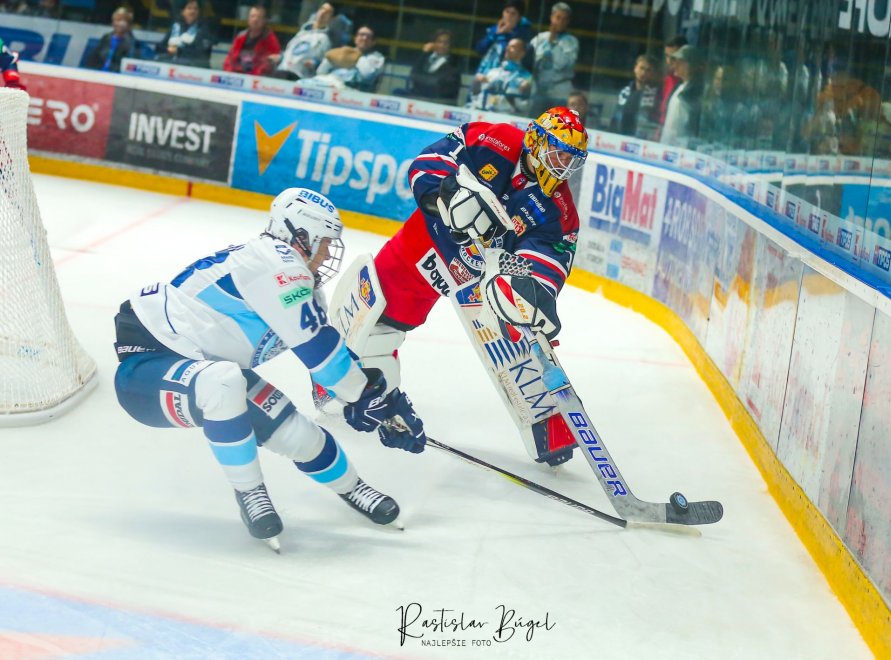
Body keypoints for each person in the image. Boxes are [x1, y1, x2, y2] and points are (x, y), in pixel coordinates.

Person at [112, 188, 425, 549]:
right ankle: (250, 493)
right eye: (324, 243)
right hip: (148, 365)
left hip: (204, 370)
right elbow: (321, 356)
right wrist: (363, 396)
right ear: (301, 236)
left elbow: (329, 362)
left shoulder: (296, 281)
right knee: (224, 382)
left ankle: (353, 488)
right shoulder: (277, 264)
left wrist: (383, 406)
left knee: (298, 433)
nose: (327, 255)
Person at [329, 107, 588, 467]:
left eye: (572, 160)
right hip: (429, 243)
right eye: (559, 154)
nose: (563, 167)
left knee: (514, 331)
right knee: (381, 321)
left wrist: (532, 289)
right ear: (537, 140)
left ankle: (549, 427)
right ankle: (359, 387)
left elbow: (552, 257)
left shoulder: (560, 209)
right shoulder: (495, 139)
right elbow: (430, 160)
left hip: (482, 276)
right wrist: (444, 196)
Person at [527, 2, 578, 116]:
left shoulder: (571, 41)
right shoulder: (540, 37)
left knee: (556, 123)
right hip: (539, 90)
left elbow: (561, 64)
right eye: (558, 17)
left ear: (568, 21)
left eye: (564, 19)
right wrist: (548, 42)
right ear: (551, 17)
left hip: (559, 91)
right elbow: (531, 61)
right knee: (535, 122)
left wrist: (553, 43)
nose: (560, 22)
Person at [468, 38, 533, 114]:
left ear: (522, 53)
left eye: (513, 47)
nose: (507, 48)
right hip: (485, 113)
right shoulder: (493, 72)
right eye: (508, 46)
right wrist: (478, 83)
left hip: (508, 116)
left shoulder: (527, 77)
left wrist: (525, 88)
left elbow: (526, 106)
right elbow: (478, 96)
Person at [313, 25, 385, 92]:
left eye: (369, 36)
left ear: (373, 42)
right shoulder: (343, 51)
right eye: (361, 35)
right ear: (356, 38)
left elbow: (366, 76)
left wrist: (357, 57)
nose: (364, 38)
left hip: (355, 92)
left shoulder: (377, 57)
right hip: (330, 85)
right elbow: (320, 72)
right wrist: (329, 59)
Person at [274, 2, 335, 80]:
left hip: (300, 76)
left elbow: (323, 63)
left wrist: (315, 63)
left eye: (327, 12)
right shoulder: (301, 33)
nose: (323, 13)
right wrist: (280, 57)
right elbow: (289, 51)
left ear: (330, 19)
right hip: (282, 70)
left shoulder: (325, 40)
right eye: (322, 9)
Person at [474, 0, 533, 77]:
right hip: (485, 73)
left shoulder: (523, 34)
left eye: (513, 14)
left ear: (519, 18)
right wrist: (496, 34)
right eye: (507, 12)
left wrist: (509, 33)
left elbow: (513, 54)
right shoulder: (494, 30)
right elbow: (480, 49)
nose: (509, 16)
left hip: (508, 75)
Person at [659, 45, 704, 146]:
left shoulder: (696, 92)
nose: (675, 65)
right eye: (676, 61)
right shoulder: (679, 87)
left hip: (683, 149)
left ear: (692, 65)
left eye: (681, 62)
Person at [222, 4, 281, 77]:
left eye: (259, 17)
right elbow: (229, 60)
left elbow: (269, 65)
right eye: (252, 16)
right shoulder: (240, 36)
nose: (255, 20)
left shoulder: (270, 40)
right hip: (235, 76)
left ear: (264, 21)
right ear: (248, 19)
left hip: (257, 78)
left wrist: (251, 77)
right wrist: (229, 74)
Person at [404, 29, 461, 104]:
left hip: (438, 103)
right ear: (433, 43)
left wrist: (422, 81)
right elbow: (414, 75)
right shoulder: (426, 58)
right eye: (439, 42)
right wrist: (424, 53)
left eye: (446, 43)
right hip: (418, 99)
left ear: (450, 45)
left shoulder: (454, 63)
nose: (442, 45)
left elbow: (438, 85)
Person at [611, 53, 661, 140]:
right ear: (635, 68)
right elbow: (616, 117)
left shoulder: (656, 95)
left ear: (653, 73)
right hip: (620, 138)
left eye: (648, 70)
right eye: (641, 68)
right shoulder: (625, 91)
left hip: (643, 140)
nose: (643, 73)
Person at [156, 0, 213, 68]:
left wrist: (178, 51)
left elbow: (201, 53)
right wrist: (168, 49)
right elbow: (160, 46)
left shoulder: (203, 29)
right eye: (189, 8)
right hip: (172, 65)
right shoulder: (176, 26)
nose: (193, 11)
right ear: (182, 11)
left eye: (195, 9)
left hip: (193, 68)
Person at [82, 7, 137, 73]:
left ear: (128, 24)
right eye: (117, 20)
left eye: (123, 21)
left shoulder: (132, 43)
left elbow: (130, 67)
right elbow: (92, 60)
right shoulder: (106, 37)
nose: (119, 24)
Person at [658, 35, 687, 127]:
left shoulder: (688, 83)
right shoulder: (666, 81)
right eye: (667, 56)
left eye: (674, 57)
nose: (669, 61)